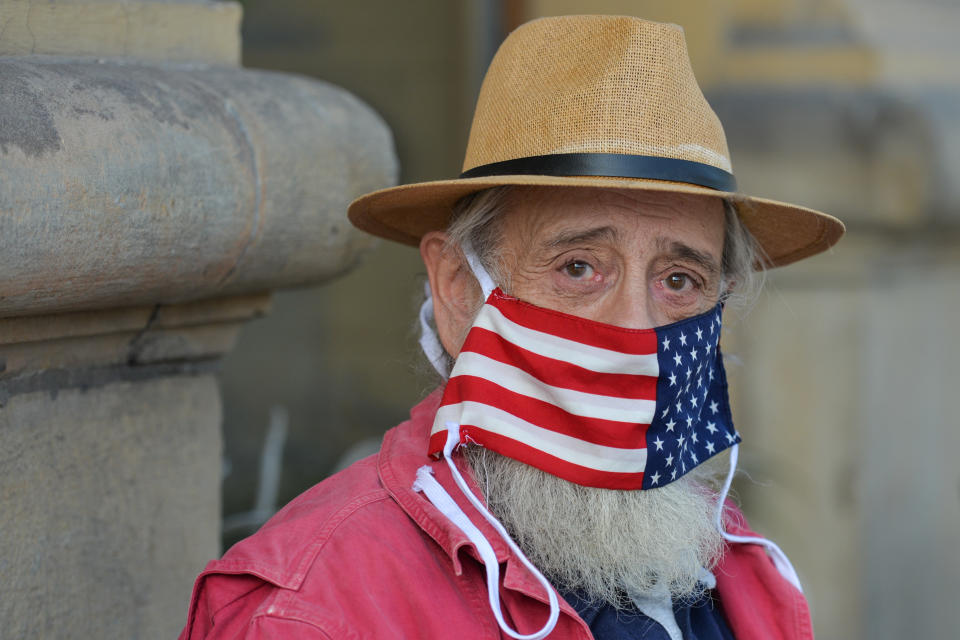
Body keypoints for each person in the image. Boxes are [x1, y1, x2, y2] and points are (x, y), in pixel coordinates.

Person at [179, 15, 843, 640]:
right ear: (459, 291)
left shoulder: (732, 564)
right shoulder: (315, 607)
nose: (636, 330)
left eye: (679, 280)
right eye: (579, 267)